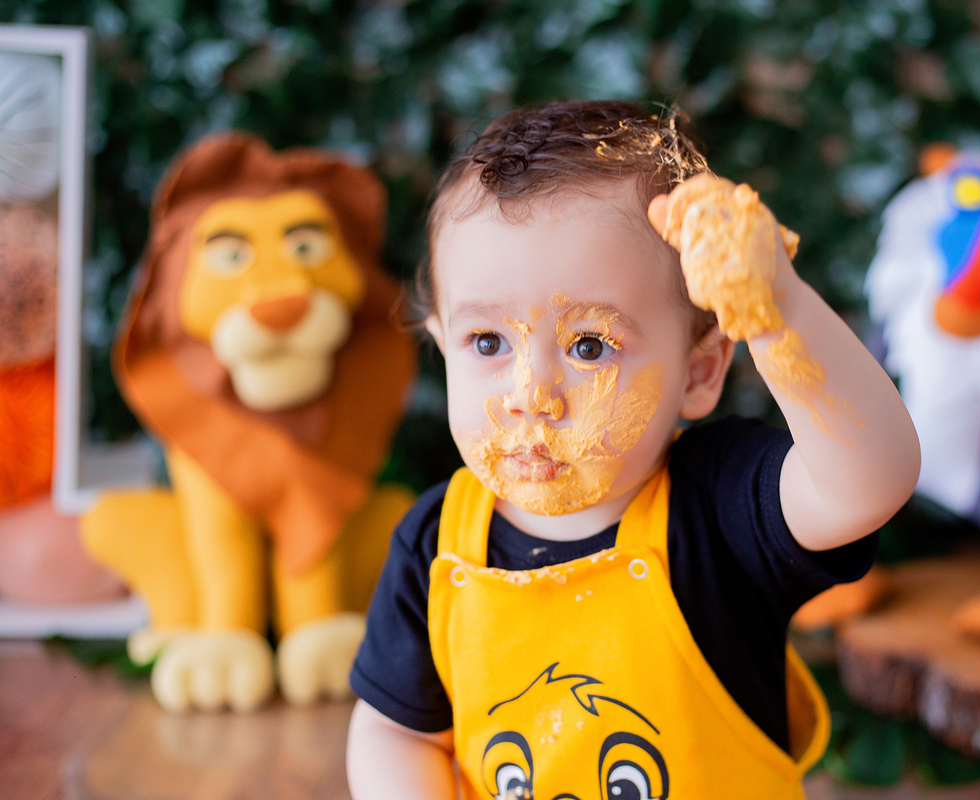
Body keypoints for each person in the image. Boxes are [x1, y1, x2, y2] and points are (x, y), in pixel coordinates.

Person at [345, 100, 920, 799]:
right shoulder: (436, 547)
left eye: (590, 346)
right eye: (488, 342)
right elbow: (397, 732)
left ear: (699, 372)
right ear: (442, 345)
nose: (532, 395)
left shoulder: (719, 509)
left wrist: (777, 310)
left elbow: (870, 480)